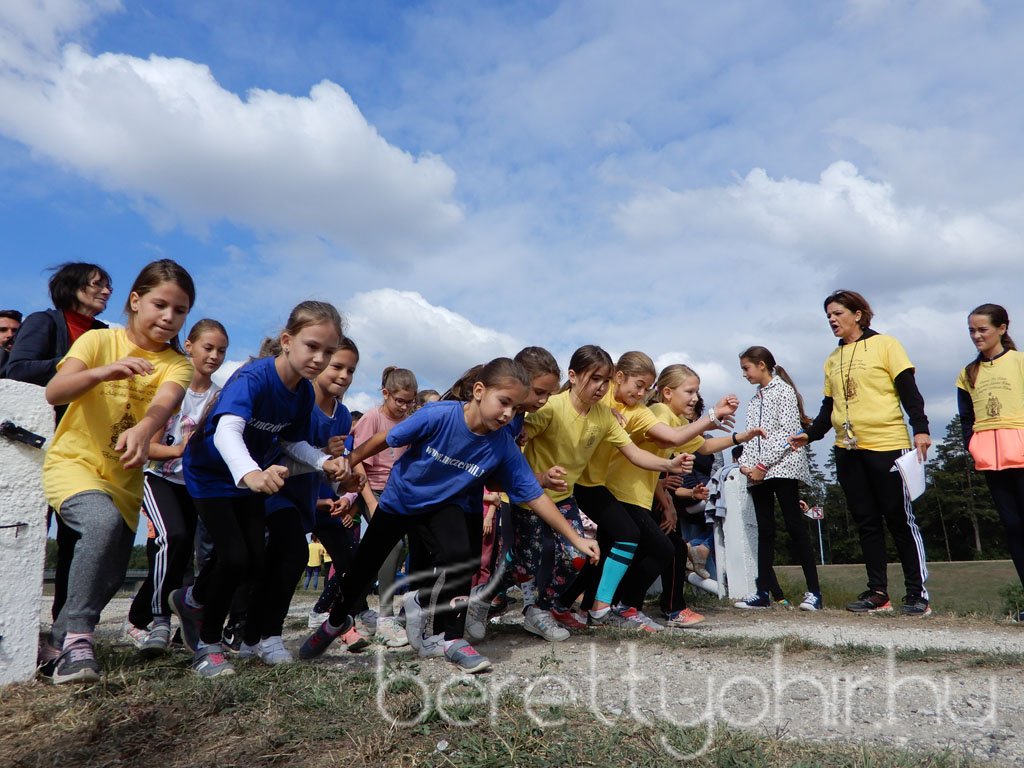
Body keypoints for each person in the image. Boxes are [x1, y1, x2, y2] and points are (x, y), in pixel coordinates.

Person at [299, 357, 601, 674]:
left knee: (463, 561)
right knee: (362, 569)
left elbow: (535, 496)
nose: (509, 414)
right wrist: (348, 467)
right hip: (401, 500)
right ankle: (335, 623)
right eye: (504, 403)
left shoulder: (502, 446)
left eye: (515, 408)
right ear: (480, 391)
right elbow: (384, 440)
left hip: (444, 506)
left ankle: (453, 640)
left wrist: (575, 537)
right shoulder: (438, 415)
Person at [173, 301, 353, 679]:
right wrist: (251, 474)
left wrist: (323, 463)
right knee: (235, 557)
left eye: (328, 351)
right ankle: (207, 645)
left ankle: (192, 601)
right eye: (312, 346)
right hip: (210, 476)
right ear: (287, 341)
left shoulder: (302, 393)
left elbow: (290, 443)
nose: (319, 358)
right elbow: (226, 431)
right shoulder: (253, 377)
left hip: (249, 480)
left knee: (254, 559)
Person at [41, 259, 196, 684]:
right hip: (74, 463)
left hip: (124, 479)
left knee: (108, 574)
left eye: (180, 310)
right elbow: (56, 391)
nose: (168, 317)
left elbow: (164, 403)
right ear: (135, 300)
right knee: (101, 522)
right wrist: (105, 371)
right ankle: (78, 641)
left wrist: (146, 429)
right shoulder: (97, 341)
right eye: (160, 304)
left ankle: (55, 645)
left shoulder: (177, 364)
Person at [512, 345, 693, 642]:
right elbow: (522, 430)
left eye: (604, 381)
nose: (600, 386)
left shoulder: (608, 415)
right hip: (531, 497)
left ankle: (553, 608)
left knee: (579, 555)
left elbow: (635, 453)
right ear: (573, 376)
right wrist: (524, 445)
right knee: (516, 565)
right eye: (594, 379)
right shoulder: (554, 406)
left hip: (568, 496)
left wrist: (669, 463)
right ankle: (484, 602)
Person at [555, 352, 741, 632]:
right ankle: (615, 606)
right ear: (619, 377)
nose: (642, 393)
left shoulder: (641, 412)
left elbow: (669, 446)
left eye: (646, 388)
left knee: (613, 550)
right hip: (603, 488)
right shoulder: (610, 397)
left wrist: (733, 434)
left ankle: (584, 606)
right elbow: (571, 399)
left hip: (602, 487)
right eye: (638, 385)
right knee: (653, 545)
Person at [790, 290, 932, 616]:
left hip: (886, 444)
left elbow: (909, 391)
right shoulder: (832, 359)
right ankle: (878, 593)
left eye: (838, 313)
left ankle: (917, 594)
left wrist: (921, 428)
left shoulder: (887, 345)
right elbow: (829, 408)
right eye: (828, 315)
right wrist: (809, 435)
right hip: (847, 449)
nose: (832, 319)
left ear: (858, 314)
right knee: (866, 521)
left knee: (899, 519)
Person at [123, 319, 229, 657]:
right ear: (189, 346)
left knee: (196, 553)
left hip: (199, 486)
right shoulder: (172, 389)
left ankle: (142, 616)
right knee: (174, 539)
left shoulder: (221, 397)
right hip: (161, 479)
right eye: (208, 347)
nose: (214, 355)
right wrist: (180, 450)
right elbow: (148, 447)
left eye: (221, 350)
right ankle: (158, 620)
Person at [733, 346, 822, 612]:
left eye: (746, 368)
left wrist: (761, 464)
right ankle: (762, 592)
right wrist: (746, 466)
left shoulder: (783, 391)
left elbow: (787, 433)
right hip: (759, 472)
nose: (744, 375)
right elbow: (751, 435)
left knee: (795, 528)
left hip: (783, 467)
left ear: (761, 365)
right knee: (765, 530)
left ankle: (815, 593)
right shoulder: (755, 398)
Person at [338, 366, 419, 644]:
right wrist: (370, 501)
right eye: (400, 401)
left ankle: (401, 611)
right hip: (374, 489)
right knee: (391, 545)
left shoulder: (409, 419)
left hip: (401, 491)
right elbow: (357, 459)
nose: (405, 407)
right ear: (386, 394)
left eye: (410, 402)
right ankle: (385, 616)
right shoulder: (372, 418)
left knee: (405, 547)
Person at [956, 304, 1024, 616]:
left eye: (982, 329)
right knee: (1012, 527)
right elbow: (965, 418)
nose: (976, 336)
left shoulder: (1020, 362)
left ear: (1002, 328)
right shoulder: (967, 374)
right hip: (991, 461)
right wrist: (974, 444)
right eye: (971, 330)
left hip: (1021, 454)